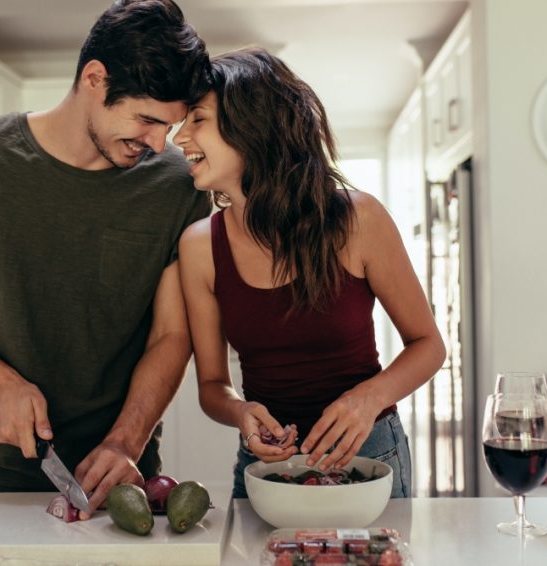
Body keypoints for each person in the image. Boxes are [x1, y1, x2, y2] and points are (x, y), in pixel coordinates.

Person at [0, 0, 211, 518]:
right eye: (146, 120)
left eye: (170, 125)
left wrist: (126, 442)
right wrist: (0, 384)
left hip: (120, 474)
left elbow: (170, 334)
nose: (161, 143)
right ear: (95, 78)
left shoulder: (175, 185)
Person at [174, 48, 446, 499]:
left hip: (371, 455)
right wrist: (241, 413)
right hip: (265, 467)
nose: (179, 137)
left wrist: (368, 400)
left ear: (250, 126)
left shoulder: (358, 219)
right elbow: (211, 385)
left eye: (197, 119)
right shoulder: (199, 246)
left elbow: (429, 345)